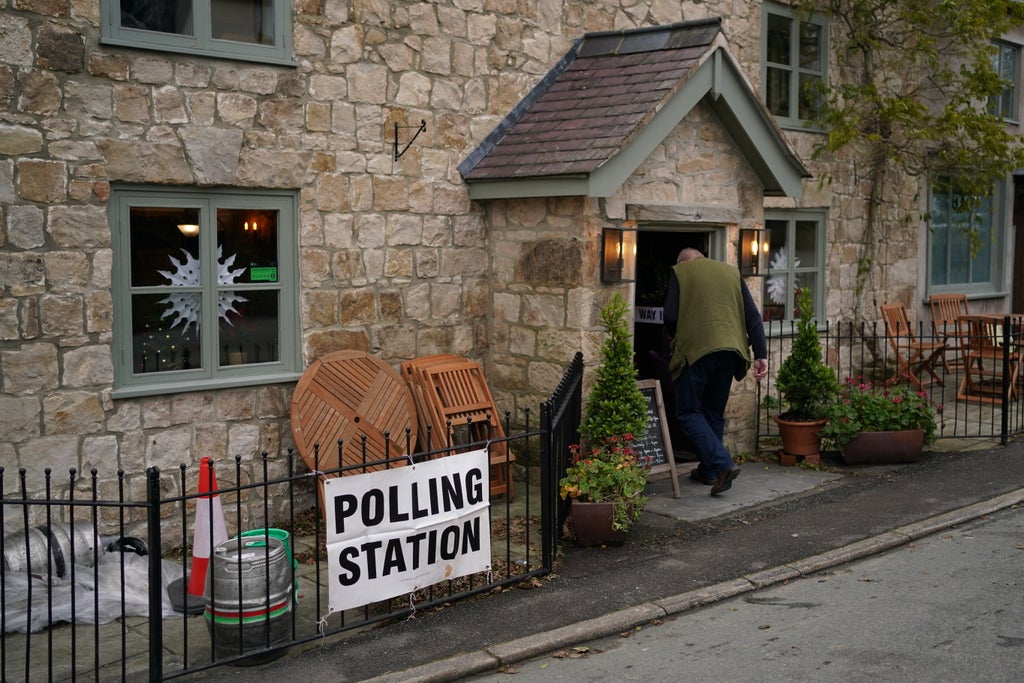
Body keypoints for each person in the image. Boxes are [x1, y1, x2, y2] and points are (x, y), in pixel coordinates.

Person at [663, 247, 768, 495]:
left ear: (683, 262)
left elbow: (670, 316)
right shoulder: (731, 273)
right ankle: (709, 471)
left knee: (688, 412)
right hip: (731, 351)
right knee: (713, 412)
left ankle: (722, 464)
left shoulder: (680, 272)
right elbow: (753, 317)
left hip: (696, 352)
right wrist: (761, 354)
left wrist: (676, 338)